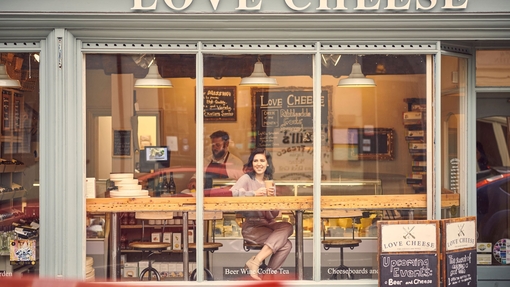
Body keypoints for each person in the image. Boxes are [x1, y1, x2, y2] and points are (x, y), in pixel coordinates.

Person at [230, 148, 293, 280]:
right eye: (255, 160)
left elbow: (273, 215)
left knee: (288, 226)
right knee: (286, 245)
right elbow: (232, 194)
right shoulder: (246, 178)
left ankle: (256, 262)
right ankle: (267, 276)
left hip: (267, 224)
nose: (259, 163)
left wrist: (273, 202)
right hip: (252, 227)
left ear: (267, 163)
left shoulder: (270, 182)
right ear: (252, 163)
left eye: (262, 160)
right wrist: (253, 194)